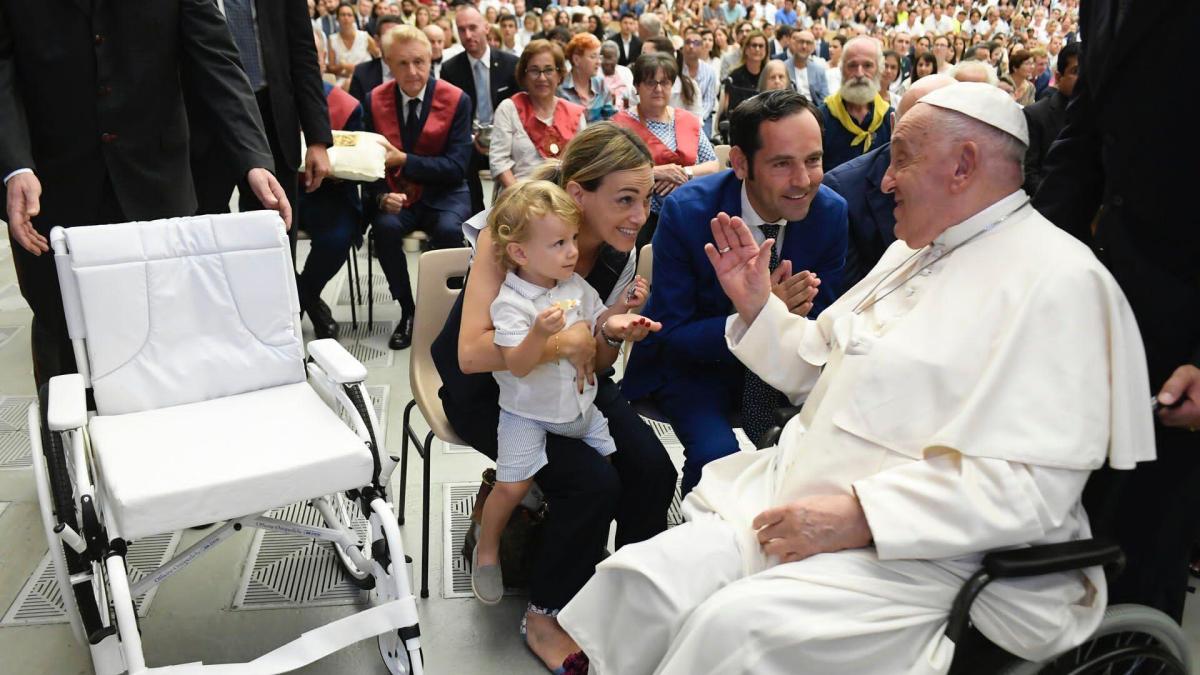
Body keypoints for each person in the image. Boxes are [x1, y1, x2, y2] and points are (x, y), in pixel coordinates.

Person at [558, 81, 1155, 675]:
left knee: (734, 628)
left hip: (930, 553)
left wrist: (861, 516)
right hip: (799, 493)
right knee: (644, 580)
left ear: (964, 164)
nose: (884, 180)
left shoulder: (1061, 283)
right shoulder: (913, 252)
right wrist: (759, 308)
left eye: (901, 159)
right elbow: (816, 365)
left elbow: (1031, 490)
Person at [430, 123, 677, 672]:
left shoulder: (620, 251)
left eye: (644, 198)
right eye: (625, 200)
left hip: (571, 382)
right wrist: (568, 339)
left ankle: (620, 593)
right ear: (578, 193)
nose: (639, 216)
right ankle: (546, 614)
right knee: (591, 482)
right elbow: (472, 354)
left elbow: (599, 360)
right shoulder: (511, 233)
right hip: (491, 393)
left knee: (653, 470)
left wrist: (609, 335)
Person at [1, 0, 290, 391]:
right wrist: (15, 165)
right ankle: (66, 447)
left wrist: (254, 160)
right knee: (63, 344)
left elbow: (217, 62)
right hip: (50, 193)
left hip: (156, 188)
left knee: (167, 344)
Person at [1034, 0, 1200, 626]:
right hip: (1105, 290)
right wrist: (1030, 259)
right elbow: (1085, 134)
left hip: (1183, 322)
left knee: (1146, 534)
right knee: (1075, 517)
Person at [621, 90, 845, 494]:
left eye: (813, 160)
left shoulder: (831, 212)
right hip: (699, 370)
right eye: (782, 164)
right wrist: (758, 315)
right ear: (740, 163)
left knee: (827, 459)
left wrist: (772, 321)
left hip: (791, 371)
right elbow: (670, 333)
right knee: (716, 458)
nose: (804, 180)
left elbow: (826, 326)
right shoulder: (689, 212)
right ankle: (695, 548)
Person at [471, 179, 658, 605]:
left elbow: (599, 322)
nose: (573, 251)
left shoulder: (574, 286)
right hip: (527, 414)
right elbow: (516, 364)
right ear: (520, 253)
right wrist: (541, 334)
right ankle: (488, 546)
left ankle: (591, 552)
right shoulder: (512, 303)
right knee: (512, 487)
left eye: (573, 239)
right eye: (559, 243)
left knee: (619, 469)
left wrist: (626, 311)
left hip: (580, 408)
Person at [189, 0, 334, 264]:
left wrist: (317, 139)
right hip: (206, 121)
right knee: (203, 241)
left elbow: (303, 52)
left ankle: (285, 304)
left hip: (273, 118)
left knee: (275, 237)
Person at [364, 25, 473, 350]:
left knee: (449, 231)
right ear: (388, 64)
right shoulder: (373, 100)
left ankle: (447, 314)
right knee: (383, 229)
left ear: (431, 59)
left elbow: (456, 168)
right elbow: (367, 164)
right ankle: (408, 311)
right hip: (398, 197)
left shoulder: (456, 99)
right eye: (402, 64)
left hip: (446, 194)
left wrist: (403, 160)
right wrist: (381, 196)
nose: (413, 72)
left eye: (420, 62)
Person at [823, 75, 955, 294]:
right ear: (894, 125)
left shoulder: (979, 190)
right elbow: (849, 301)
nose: (887, 183)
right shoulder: (843, 191)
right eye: (915, 134)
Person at [296, 28, 367, 341]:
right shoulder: (262, 103)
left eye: (313, 53)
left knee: (339, 236)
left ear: (325, 57)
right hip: (279, 190)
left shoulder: (346, 105)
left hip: (330, 191)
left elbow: (356, 160)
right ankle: (312, 303)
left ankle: (301, 298)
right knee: (262, 240)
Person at [614, 52, 719, 249]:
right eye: (650, 83)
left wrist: (683, 173)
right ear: (637, 87)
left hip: (688, 211)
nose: (658, 89)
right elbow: (610, 172)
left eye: (665, 82)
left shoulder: (687, 120)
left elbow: (713, 165)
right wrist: (655, 172)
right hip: (638, 218)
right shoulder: (620, 125)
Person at [441, 4, 521, 215]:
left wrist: (500, 138)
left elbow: (519, 110)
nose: (467, 35)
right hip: (469, 139)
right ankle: (476, 222)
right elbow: (450, 115)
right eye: (461, 30)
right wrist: (470, 137)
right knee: (459, 162)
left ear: (486, 27)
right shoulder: (450, 69)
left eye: (473, 27)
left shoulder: (510, 64)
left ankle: (511, 215)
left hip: (506, 138)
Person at [491, 40, 587, 188]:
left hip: (564, 199)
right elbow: (499, 163)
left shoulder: (575, 114)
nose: (542, 78)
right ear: (524, 75)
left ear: (559, 74)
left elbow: (583, 166)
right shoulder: (508, 109)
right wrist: (523, 200)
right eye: (534, 71)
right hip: (519, 197)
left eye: (548, 70)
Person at [819, 36, 892, 171]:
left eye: (867, 65)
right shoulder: (821, 118)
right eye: (852, 65)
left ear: (879, 69)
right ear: (841, 70)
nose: (859, 74)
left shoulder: (890, 119)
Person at [1021, 42, 1078, 196]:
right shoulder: (1036, 114)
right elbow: (1029, 173)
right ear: (1059, 77)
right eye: (1076, 71)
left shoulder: (1101, 114)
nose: (1084, 79)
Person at [559, 33, 621, 122]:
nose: (599, 62)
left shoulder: (600, 84)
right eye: (593, 57)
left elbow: (611, 119)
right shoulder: (561, 90)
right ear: (576, 60)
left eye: (599, 57)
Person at [349, 14, 406, 103]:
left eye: (398, 36)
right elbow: (356, 112)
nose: (393, 42)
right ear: (377, 40)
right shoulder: (361, 73)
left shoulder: (417, 71)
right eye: (387, 36)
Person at [328, 2, 381, 88]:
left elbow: (378, 56)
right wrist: (341, 66)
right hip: (342, 81)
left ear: (354, 18)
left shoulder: (364, 36)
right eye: (343, 15)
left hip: (365, 78)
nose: (346, 18)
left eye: (349, 15)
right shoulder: (332, 39)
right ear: (337, 18)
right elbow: (331, 68)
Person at [680, 25, 719, 138]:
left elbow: (708, 102)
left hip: (702, 117)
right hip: (678, 116)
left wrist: (696, 118)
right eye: (687, 42)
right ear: (683, 47)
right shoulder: (676, 69)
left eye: (696, 43)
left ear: (702, 48)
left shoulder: (710, 71)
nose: (691, 46)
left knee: (702, 141)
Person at [720, 30, 769, 120]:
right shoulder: (734, 76)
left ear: (766, 50)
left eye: (761, 46)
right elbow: (729, 109)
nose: (757, 49)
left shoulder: (770, 74)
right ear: (746, 49)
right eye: (754, 45)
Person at [774, 28, 828, 102]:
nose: (804, 46)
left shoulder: (819, 70)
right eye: (801, 42)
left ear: (813, 48)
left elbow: (824, 98)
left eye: (808, 43)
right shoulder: (782, 68)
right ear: (794, 44)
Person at [600, 40, 635, 112]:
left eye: (610, 57)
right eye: (604, 57)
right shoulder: (595, 75)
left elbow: (632, 97)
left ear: (617, 58)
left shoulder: (625, 72)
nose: (607, 62)